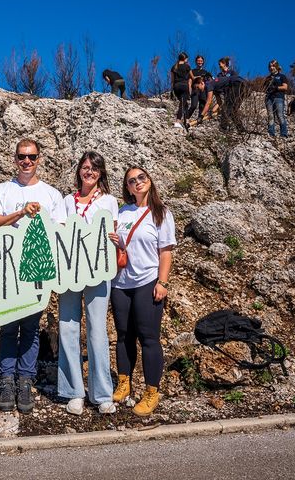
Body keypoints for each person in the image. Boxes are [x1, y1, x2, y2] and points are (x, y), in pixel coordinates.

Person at [0, 139, 66, 413]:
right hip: (7, 269)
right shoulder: (1, 190)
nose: (27, 162)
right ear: (14, 158)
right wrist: (20, 212)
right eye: (22, 157)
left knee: (31, 328)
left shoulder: (52, 194)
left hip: (37, 271)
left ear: (39, 159)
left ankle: (25, 380)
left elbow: (61, 232)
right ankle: (7, 378)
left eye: (32, 157)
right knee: (8, 326)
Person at [109, 166, 176, 417]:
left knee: (149, 338)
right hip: (120, 282)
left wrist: (163, 282)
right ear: (126, 188)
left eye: (141, 178)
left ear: (149, 180)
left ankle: (151, 391)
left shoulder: (161, 213)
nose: (137, 183)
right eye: (131, 181)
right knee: (124, 335)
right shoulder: (123, 211)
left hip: (147, 280)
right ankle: (124, 383)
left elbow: (166, 251)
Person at [58, 151, 118, 416]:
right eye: (85, 167)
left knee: (97, 331)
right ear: (78, 171)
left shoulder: (109, 201)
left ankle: (102, 393)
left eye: (94, 168)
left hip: (98, 272)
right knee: (68, 328)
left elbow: (113, 233)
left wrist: (115, 241)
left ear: (101, 172)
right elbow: (59, 232)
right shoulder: (66, 201)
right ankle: (74, 392)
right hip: (70, 272)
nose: (89, 172)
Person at [213, 57, 247, 132]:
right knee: (232, 111)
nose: (219, 65)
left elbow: (236, 81)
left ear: (224, 64)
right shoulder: (219, 75)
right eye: (219, 64)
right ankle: (241, 129)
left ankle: (223, 126)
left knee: (229, 109)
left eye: (220, 64)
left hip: (235, 93)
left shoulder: (232, 72)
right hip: (226, 94)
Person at [265, 59, 289, 137]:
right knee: (270, 116)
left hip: (278, 97)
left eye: (273, 66)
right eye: (270, 66)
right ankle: (271, 133)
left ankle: (284, 134)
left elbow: (285, 87)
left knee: (280, 115)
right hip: (269, 98)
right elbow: (264, 88)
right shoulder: (268, 78)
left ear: (276, 66)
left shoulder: (282, 76)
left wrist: (276, 88)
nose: (271, 68)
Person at [170, 52, 194, 130]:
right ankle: (178, 121)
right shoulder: (187, 66)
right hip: (184, 86)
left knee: (185, 104)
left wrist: (172, 90)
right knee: (182, 104)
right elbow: (192, 77)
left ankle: (187, 121)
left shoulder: (174, 67)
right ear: (185, 59)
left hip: (176, 87)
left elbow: (172, 80)